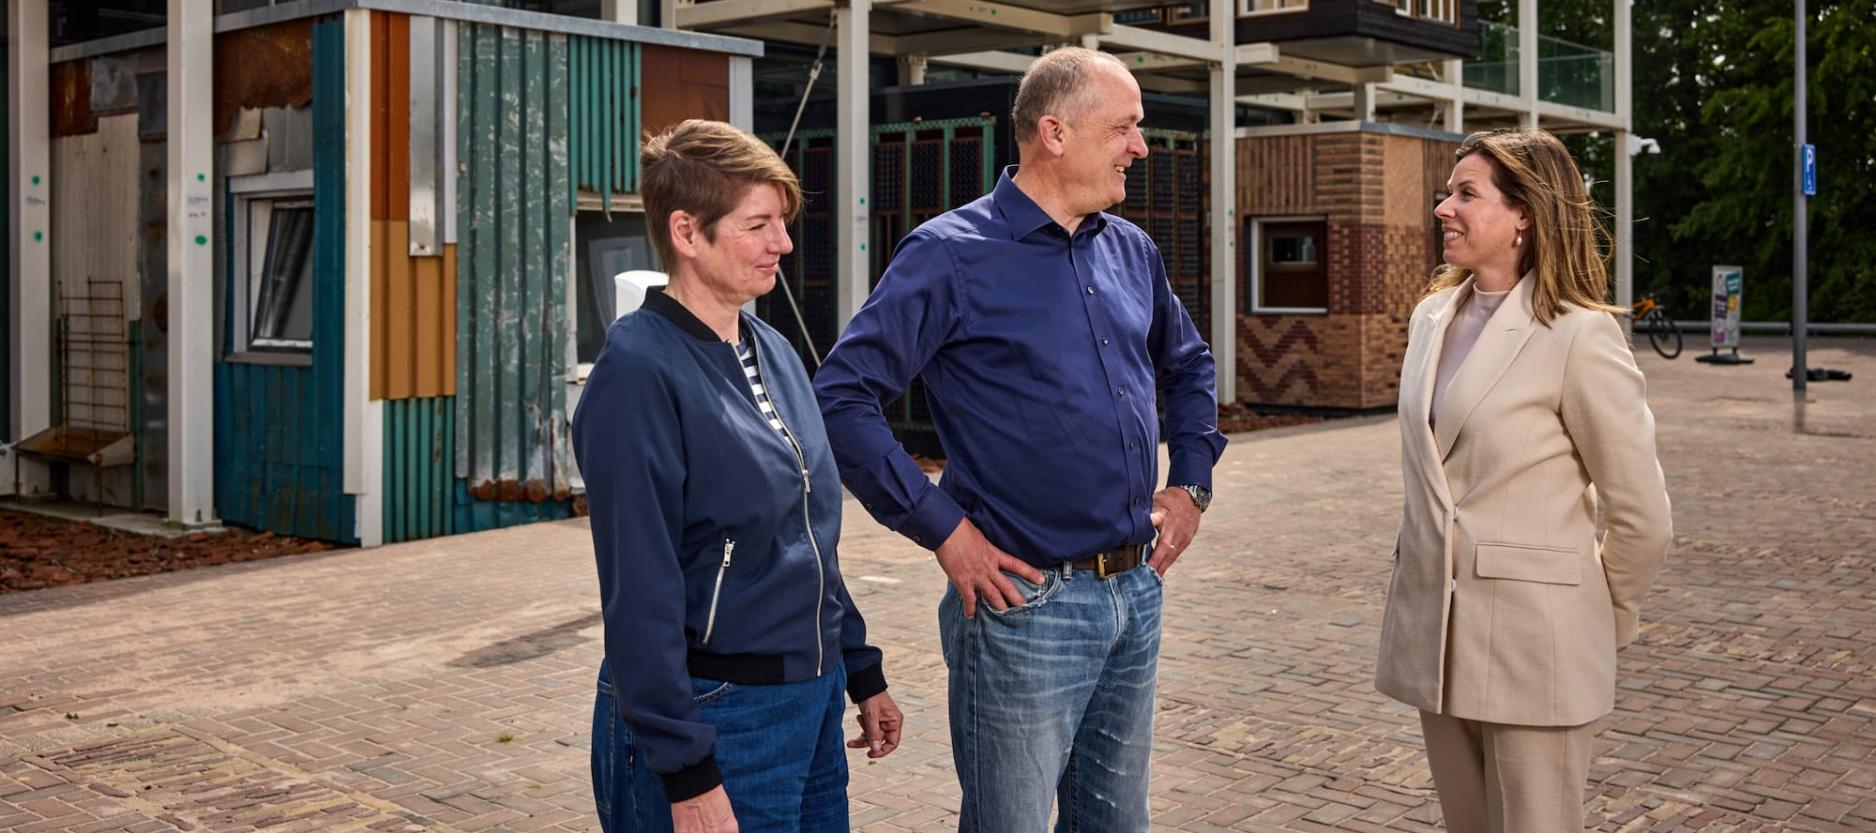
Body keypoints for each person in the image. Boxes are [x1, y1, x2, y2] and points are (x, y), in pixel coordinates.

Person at [813, 47, 1226, 833]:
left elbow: (1189, 363)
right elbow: (841, 396)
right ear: (1054, 132)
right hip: (1022, 604)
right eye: (1126, 128)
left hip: (1134, 592)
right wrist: (946, 531)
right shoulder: (948, 254)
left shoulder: (1131, 249)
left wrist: (1192, 482)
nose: (1140, 147)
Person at [572, 119, 903, 833]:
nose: (782, 244)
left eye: (780, 223)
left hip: (808, 705)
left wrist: (860, 670)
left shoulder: (773, 347)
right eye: (758, 225)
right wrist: (687, 770)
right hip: (718, 717)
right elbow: (640, 589)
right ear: (687, 233)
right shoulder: (637, 373)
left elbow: (808, 532)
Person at [1376, 128, 1673, 833]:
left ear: (1525, 216)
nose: (1443, 207)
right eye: (1448, 192)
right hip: (1436, 643)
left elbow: (1642, 516)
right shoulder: (1430, 318)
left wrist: (1604, 619)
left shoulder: (1579, 334)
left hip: (1538, 647)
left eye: (1465, 194)